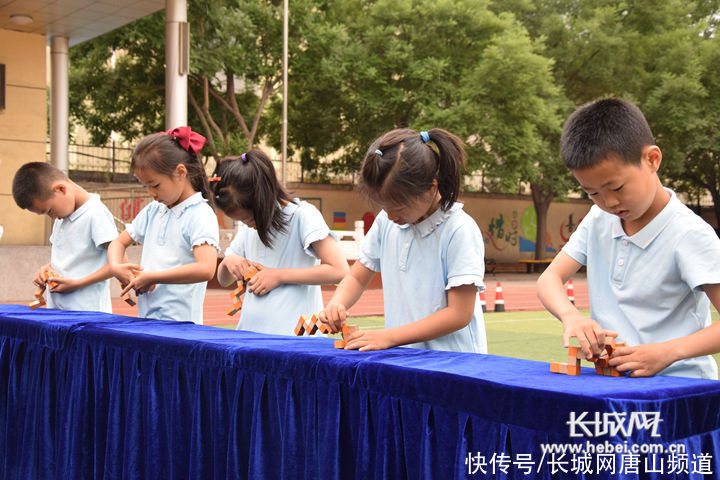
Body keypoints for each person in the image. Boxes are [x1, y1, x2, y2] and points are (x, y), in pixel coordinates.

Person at [537, 98, 720, 379]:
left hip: (679, 389)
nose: (608, 202)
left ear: (652, 160)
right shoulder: (598, 220)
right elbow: (549, 279)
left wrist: (668, 352)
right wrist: (570, 315)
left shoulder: (689, 234)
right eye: (592, 193)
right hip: (614, 385)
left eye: (617, 187)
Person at [320, 128, 487, 353]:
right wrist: (336, 304)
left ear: (430, 189)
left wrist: (389, 337)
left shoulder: (459, 230)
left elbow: (459, 314)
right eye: (384, 207)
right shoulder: (386, 223)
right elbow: (358, 278)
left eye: (398, 207)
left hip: (454, 365)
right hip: (405, 359)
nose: (390, 216)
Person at [212, 150, 349, 334]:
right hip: (250, 338)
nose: (247, 225)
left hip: (295, 342)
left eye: (249, 219)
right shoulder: (248, 231)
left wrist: (278, 276)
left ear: (262, 201)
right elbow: (223, 280)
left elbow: (339, 270)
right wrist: (229, 263)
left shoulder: (302, 216)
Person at [107, 127, 219, 324]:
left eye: (155, 185)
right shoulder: (153, 211)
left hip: (182, 327)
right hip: (149, 320)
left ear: (180, 172)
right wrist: (117, 267)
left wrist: (154, 277)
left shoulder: (199, 214)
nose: (151, 192)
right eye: (146, 186)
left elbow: (207, 268)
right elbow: (118, 243)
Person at [12, 162, 118, 312]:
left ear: (61, 189)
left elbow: (119, 263)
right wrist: (46, 270)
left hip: (87, 316)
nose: (52, 217)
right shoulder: (62, 216)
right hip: (58, 312)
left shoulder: (96, 214)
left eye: (49, 210)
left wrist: (78, 283)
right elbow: (66, 259)